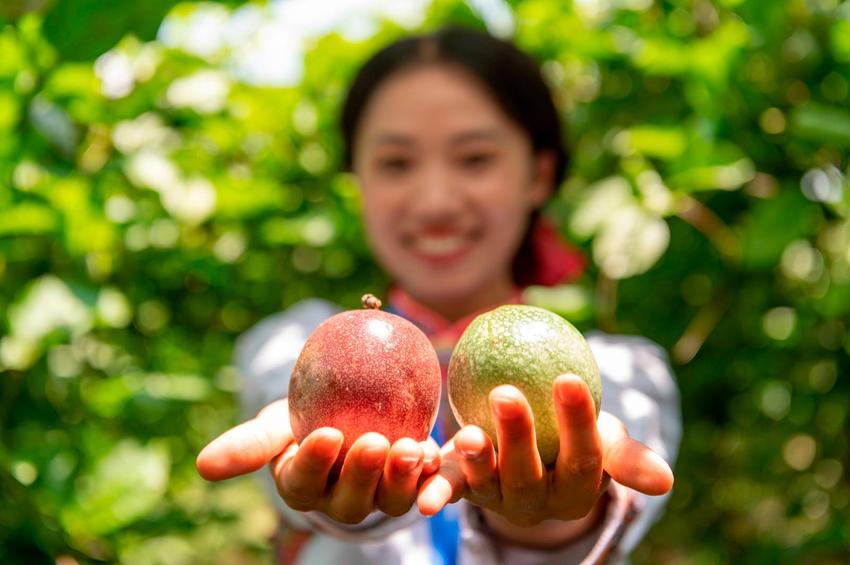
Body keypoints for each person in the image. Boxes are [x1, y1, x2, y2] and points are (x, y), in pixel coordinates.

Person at [196, 25, 681, 564]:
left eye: (475, 158)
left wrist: (547, 514)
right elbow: (305, 453)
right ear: (357, 180)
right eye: (396, 163)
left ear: (539, 175)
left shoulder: (625, 373)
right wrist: (334, 478)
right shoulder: (289, 342)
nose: (434, 200)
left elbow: (604, 491)